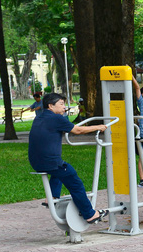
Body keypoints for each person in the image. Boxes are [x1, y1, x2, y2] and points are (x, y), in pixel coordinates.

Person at [28, 93, 108, 224]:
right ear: (50, 106)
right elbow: (78, 131)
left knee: (59, 172)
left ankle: (52, 197)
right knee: (74, 181)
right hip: (50, 162)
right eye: (61, 104)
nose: (64, 107)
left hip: (36, 162)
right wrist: (98, 127)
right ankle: (90, 214)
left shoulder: (39, 117)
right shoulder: (56, 119)